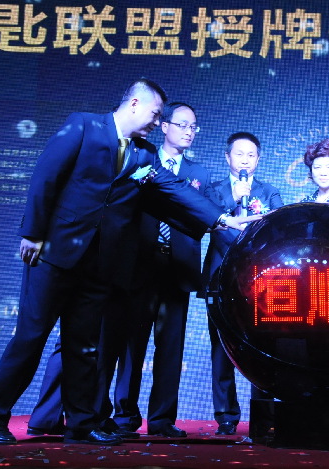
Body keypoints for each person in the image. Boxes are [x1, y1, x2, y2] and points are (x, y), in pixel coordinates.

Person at [0, 79, 254, 446]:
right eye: (155, 115)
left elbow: (172, 191)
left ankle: (81, 424)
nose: (157, 123)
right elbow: (46, 175)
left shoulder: (144, 154)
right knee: (31, 337)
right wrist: (33, 232)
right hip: (55, 254)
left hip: (101, 264)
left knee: (84, 346)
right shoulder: (83, 126)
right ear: (134, 103)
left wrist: (221, 219)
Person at [111, 102, 210, 438]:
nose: (189, 132)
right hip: (140, 264)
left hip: (177, 267)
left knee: (170, 348)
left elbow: (202, 217)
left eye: (193, 127)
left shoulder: (200, 174)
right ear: (164, 126)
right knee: (132, 344)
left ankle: (162, 419)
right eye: (182, 124)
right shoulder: (142, 159)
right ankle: (124, 416)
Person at [200, 132, 284, 436]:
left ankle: (263, 415)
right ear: (227, 157)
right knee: (221, 347)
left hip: (259, 279)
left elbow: (278, 229)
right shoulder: (214, 191)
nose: (245, 160)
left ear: (258, 160)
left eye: (251, 155)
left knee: (262, 347)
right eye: (239, 154)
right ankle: (225, 416)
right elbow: (206, 222)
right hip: (221, 276)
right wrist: (233, 200)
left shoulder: (269, 192)